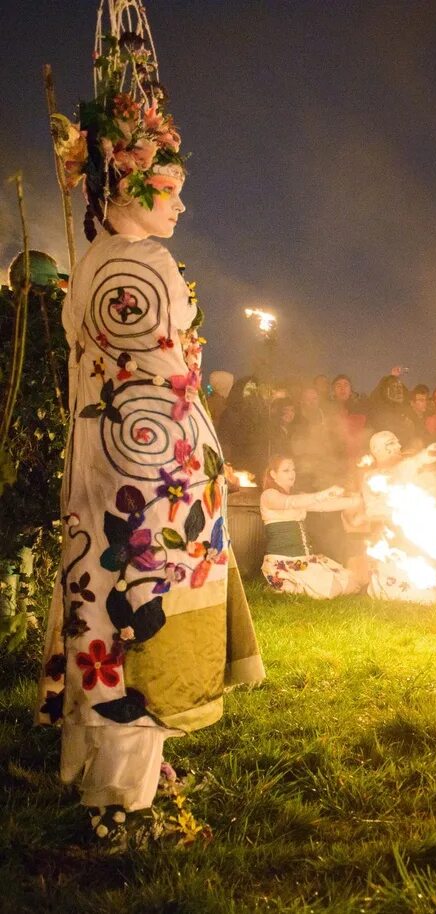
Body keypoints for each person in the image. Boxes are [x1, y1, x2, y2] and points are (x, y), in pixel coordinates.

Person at [38, 8, 263, 844]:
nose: (178, 203)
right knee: (140, 629)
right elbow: (162, 384)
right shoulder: (137, 265)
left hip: (124, 480)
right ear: (124, 185)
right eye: (165, 187)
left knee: (116, 620)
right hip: (148, 493)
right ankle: (122, 810)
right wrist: (194, 468)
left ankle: (128, 780)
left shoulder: (103, 259)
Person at [259, 456, 366, 596]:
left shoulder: (298, 496)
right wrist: (324, 494)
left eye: (293, 470)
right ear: (273, 474)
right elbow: (291, 502)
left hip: (305, 559)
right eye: (286, 470)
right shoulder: (269, 495)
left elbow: (324, 506)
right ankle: (285, 584)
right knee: (333, 590)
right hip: (283, 560)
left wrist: (358, 501)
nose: (292, 474)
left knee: (352, 584)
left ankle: (299, 583)